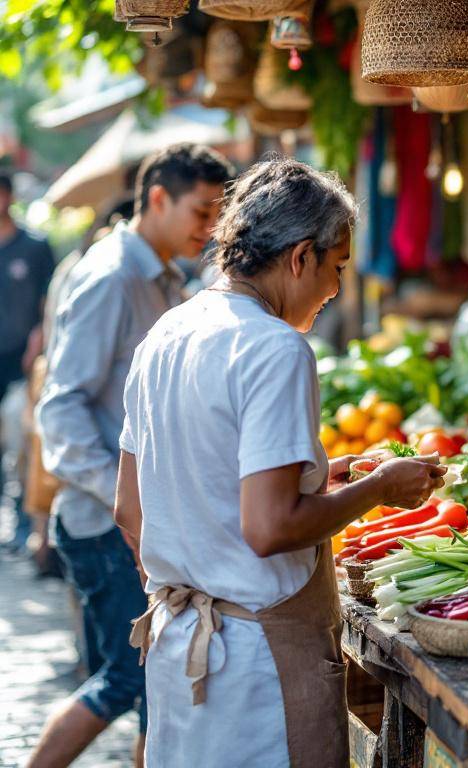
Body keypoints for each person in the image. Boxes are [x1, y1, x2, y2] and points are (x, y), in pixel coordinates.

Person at [114, 156, 447, 767]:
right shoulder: (274, 348)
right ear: (301, 257)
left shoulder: (165, 334)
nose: (337, 289)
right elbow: (268, 528)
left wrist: (324, 473)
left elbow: (131, 508)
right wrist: (377, 487)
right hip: (257, 670)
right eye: (337, 266)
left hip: (180, 651)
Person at [29, 144, 234, 768]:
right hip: (103, 525)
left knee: (149, 687)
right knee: (133, 681)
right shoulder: (112, 275)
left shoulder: (166, 275)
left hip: (133, 524)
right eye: (201, 212)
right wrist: (126, 500)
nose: (209, 229)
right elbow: (59, 410)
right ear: (157, 199)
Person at [0, 172, 55, 552]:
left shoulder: (34, 247)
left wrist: (38, 339)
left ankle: (23, 525)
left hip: (21, 361)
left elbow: (49, 305)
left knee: (21, 444)